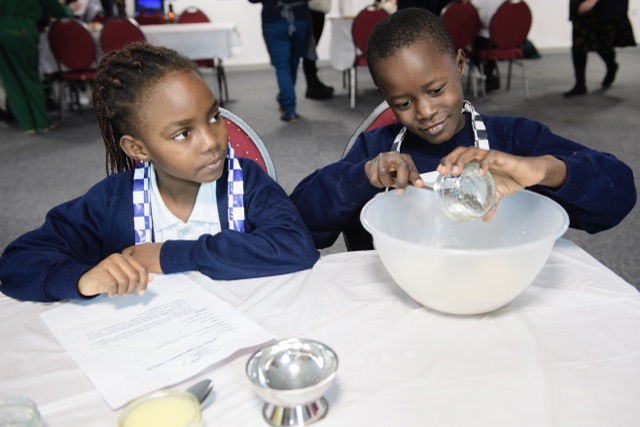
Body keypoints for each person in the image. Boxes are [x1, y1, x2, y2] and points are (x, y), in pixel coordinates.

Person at [289, 8, 636, 250]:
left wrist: (545, 169)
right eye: (404, 103)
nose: (425, 111)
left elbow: (618, 199)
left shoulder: (515, 139)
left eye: (436, 90)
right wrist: (361, 176)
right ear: (385, 97)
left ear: (459, 63)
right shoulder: (372, 152)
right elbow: (300, 227)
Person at [0, 42, 319, 302]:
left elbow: (296, 247)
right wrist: (82, 278)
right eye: (183, 134)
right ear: (138, 149)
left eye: (213, 117)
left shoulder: (247, 182)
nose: (212, 142)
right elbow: (17, 262)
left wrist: (173, 255)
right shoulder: (113, 199)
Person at [0, 0, 72, 134]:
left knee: (10, 81)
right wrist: (69, 10)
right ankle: (41, 122)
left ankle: (27, 124)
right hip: (21, 30)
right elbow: (57, 10)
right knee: (29, 77)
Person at [249, 0, 311, 123]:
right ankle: (286, 101)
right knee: (294, 62)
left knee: (283, 66)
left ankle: (290, 110)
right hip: (300, 18)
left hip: (274, 19)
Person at [564, 0, 636, 97]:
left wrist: (592, 1)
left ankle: (611, 65)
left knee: (602, 45)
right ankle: (580, 84)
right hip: (580, 4)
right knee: (578, 45)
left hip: (602, 7)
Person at [304, 0, 335, 100]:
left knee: (311, 49)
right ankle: (312, 86)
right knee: (309, 50)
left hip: (316, 10)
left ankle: (314, 82)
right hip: (312, 10)